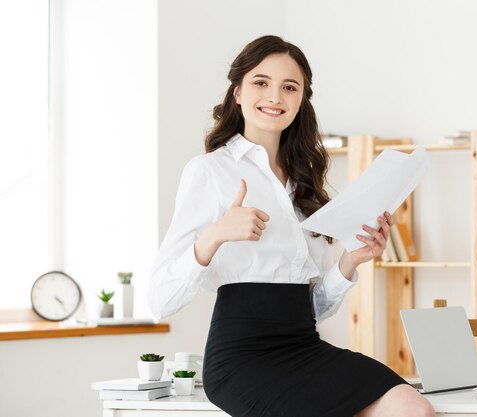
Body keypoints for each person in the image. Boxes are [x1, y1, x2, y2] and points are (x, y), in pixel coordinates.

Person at [149, 35, 434, 417]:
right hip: (241, 360)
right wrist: (216, 234)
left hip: (304, 346)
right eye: (261, 82)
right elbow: (159, 299)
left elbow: (312, 309)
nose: (275, 96)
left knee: (411, 406)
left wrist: (350, 262)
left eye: (289, 87)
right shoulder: (210, 171)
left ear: (302, 99)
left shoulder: (304, 181)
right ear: (237, 92)